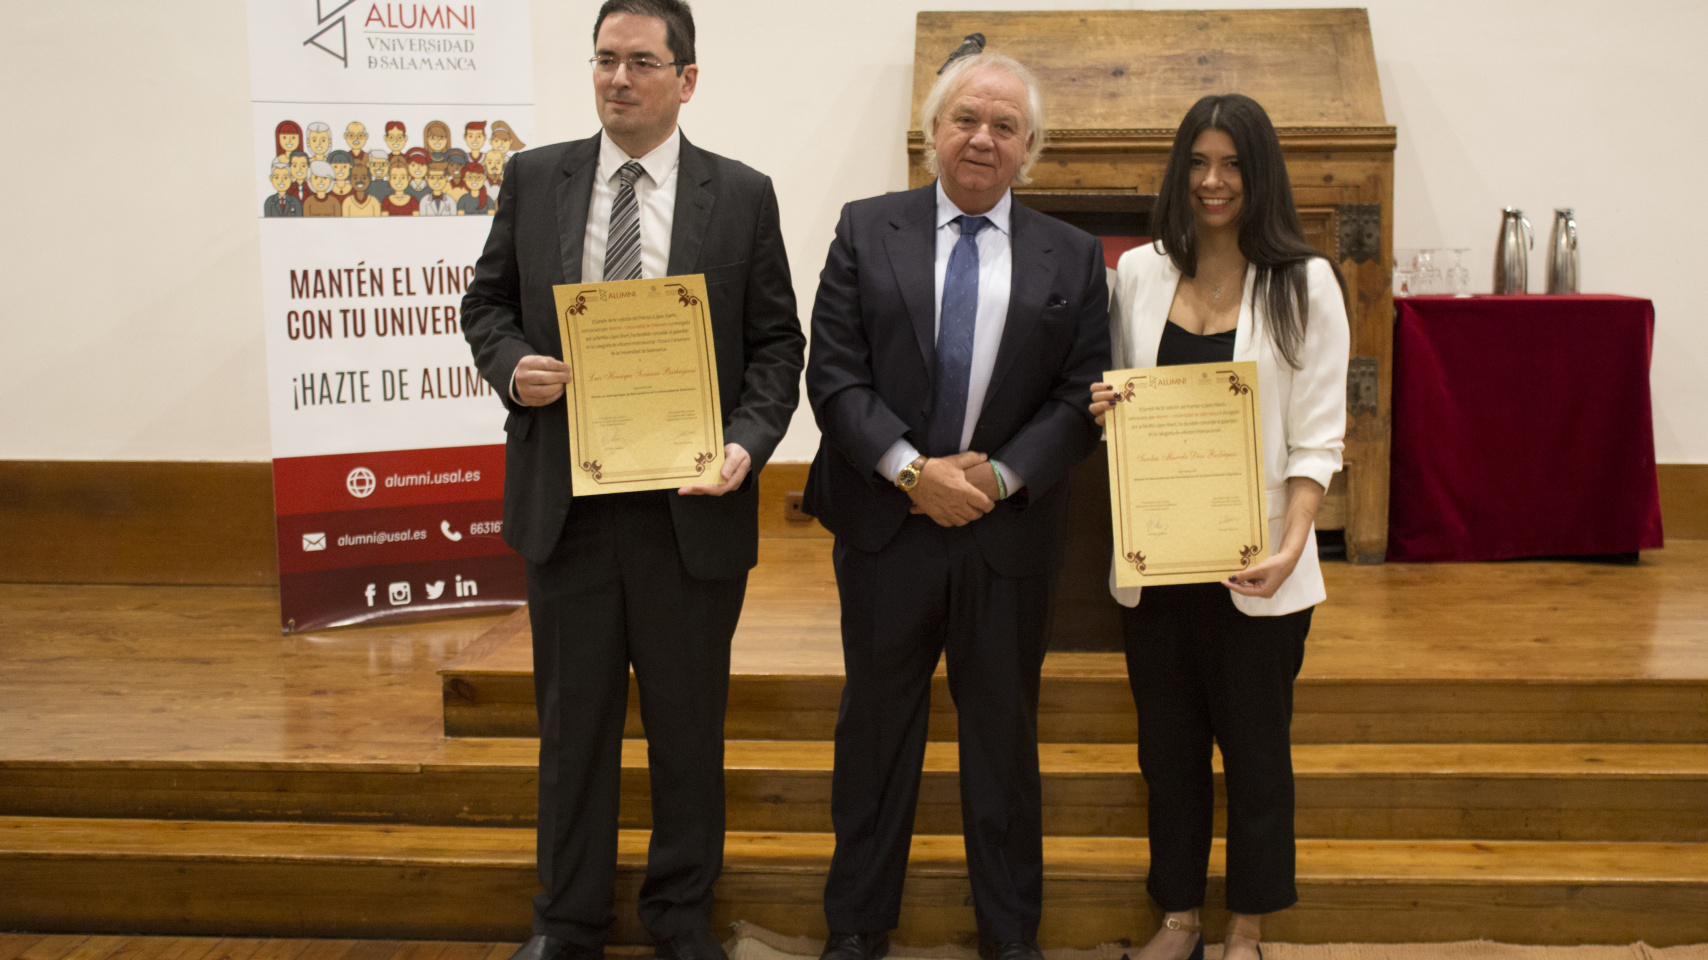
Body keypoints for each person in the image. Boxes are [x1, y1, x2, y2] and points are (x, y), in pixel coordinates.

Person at [459, 3, 804, 960]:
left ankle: (679, 917)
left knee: (688, 735)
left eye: (642, 62)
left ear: (686, 79)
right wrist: (512, 365)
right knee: (573, 732)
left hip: (688, 514)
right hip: (566, 505)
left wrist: (746, 444)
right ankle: (565, 922)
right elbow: (484, 303)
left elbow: (777, 346)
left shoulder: (741, 195)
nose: (619, 78)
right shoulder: (537, 177)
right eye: (605, 59)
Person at [802, 51, 1109, 960]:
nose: (983, 138)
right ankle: (857, 927)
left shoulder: (1073, 253)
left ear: (1030, 150)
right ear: (932, 131)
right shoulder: (866, 230)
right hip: (886, 527)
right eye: (966, 119)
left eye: (1004, 126)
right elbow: (834, 376)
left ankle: (1010, 934)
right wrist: (912, 473)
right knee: (876, 733)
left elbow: (1081, 394)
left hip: (1006, 535)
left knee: (1003, 741)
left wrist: (994, 480)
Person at [1086, 93, 1350, 960]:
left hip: (1258, 566)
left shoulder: (1303, 281)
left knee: (1256, 755)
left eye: (1232, 163)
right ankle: (1179, 917)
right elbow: (1123, 396)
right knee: (1166, 753)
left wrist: (1293, 545)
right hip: (1159, 559)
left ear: (1260, 173)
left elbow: (1319, 437)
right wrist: (1104, 405)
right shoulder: (1141, 273)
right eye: (1198, 161)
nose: (1212, 180)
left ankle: (1247, 925)